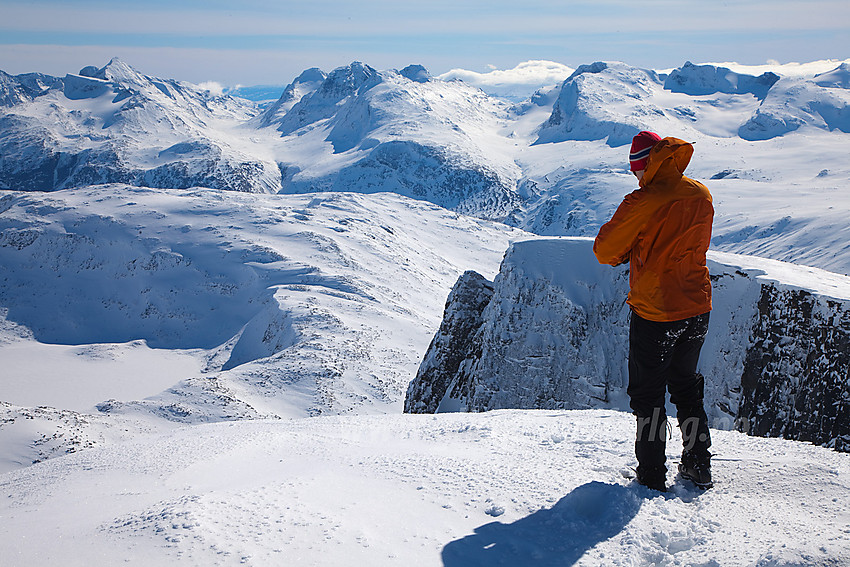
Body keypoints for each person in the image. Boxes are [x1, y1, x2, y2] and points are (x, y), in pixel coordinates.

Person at [593, 131, 714, 491]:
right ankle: (699, 464)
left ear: (643, 164)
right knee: (686, 388)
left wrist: (630, 251)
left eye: (635, 169)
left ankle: (651, 476)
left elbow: (605, 250)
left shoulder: (642, 201)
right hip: (697, 306)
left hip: (657, 312)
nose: (634, 176)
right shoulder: (700, 193)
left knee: (648, 397)